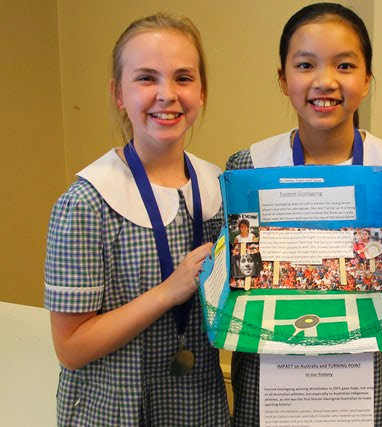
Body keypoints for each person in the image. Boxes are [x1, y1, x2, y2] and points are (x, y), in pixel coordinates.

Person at [225, 3, 382, 425]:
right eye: (305, 64)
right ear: (283, 79)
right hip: (269, 382)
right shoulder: (248, 168)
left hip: (355, 382)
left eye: (345, 65)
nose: (325, 81)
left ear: (368, 79)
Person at [44, 12, 230, 426]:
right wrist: (168, 292)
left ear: (202, 92)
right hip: (115, 409)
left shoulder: (217, 187)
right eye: (147, 78)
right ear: (118, 93)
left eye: (183, 78)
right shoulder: (88, 203)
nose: (167, 94)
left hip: (196, 405)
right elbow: (71, 348)